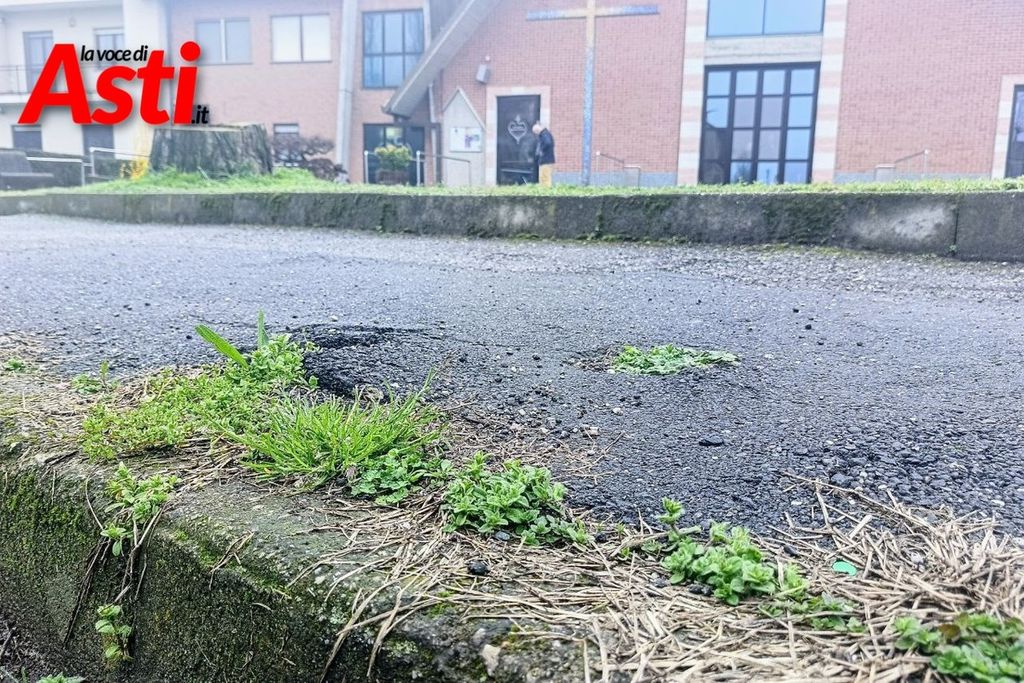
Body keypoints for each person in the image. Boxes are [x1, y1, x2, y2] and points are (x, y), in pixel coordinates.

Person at [532, 122, 555, 187]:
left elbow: (548, 143)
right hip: (547, 160)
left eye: (536, 132)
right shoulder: (546, 133)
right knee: (544, 177)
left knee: (545, 177)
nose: (536, 134)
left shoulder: (544, 134)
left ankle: (545, 190)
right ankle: (544, 189)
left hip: (546, 160)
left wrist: (541, 150)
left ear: (537, 130)